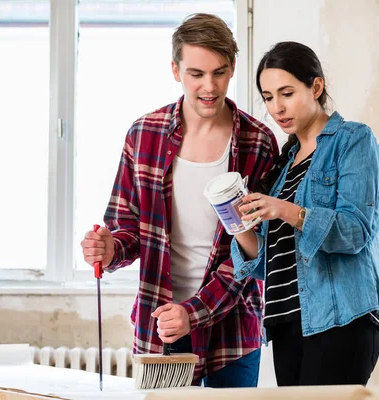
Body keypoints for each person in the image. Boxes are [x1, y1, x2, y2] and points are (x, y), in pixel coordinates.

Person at [80, 13, 278, 387]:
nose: (209, 86)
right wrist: (109, 249)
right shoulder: (144, 135)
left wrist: (195, 311)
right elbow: (129, 229)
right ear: (175, 70)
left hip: (231, 327)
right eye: (196, 73)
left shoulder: (258, 143)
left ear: (233, 68)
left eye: (219, 72)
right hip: (161, 322)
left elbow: (256, 251)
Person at [231, 41, 379, 386]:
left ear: (315, 86)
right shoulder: (284, 167)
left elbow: (355, 230)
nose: (277, 107)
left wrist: (286, 210)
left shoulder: (353, 141)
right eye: (268, 97)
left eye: (286, 93)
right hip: (286, 324)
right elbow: (266, 263)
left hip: (340, 320)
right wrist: (235, 223)